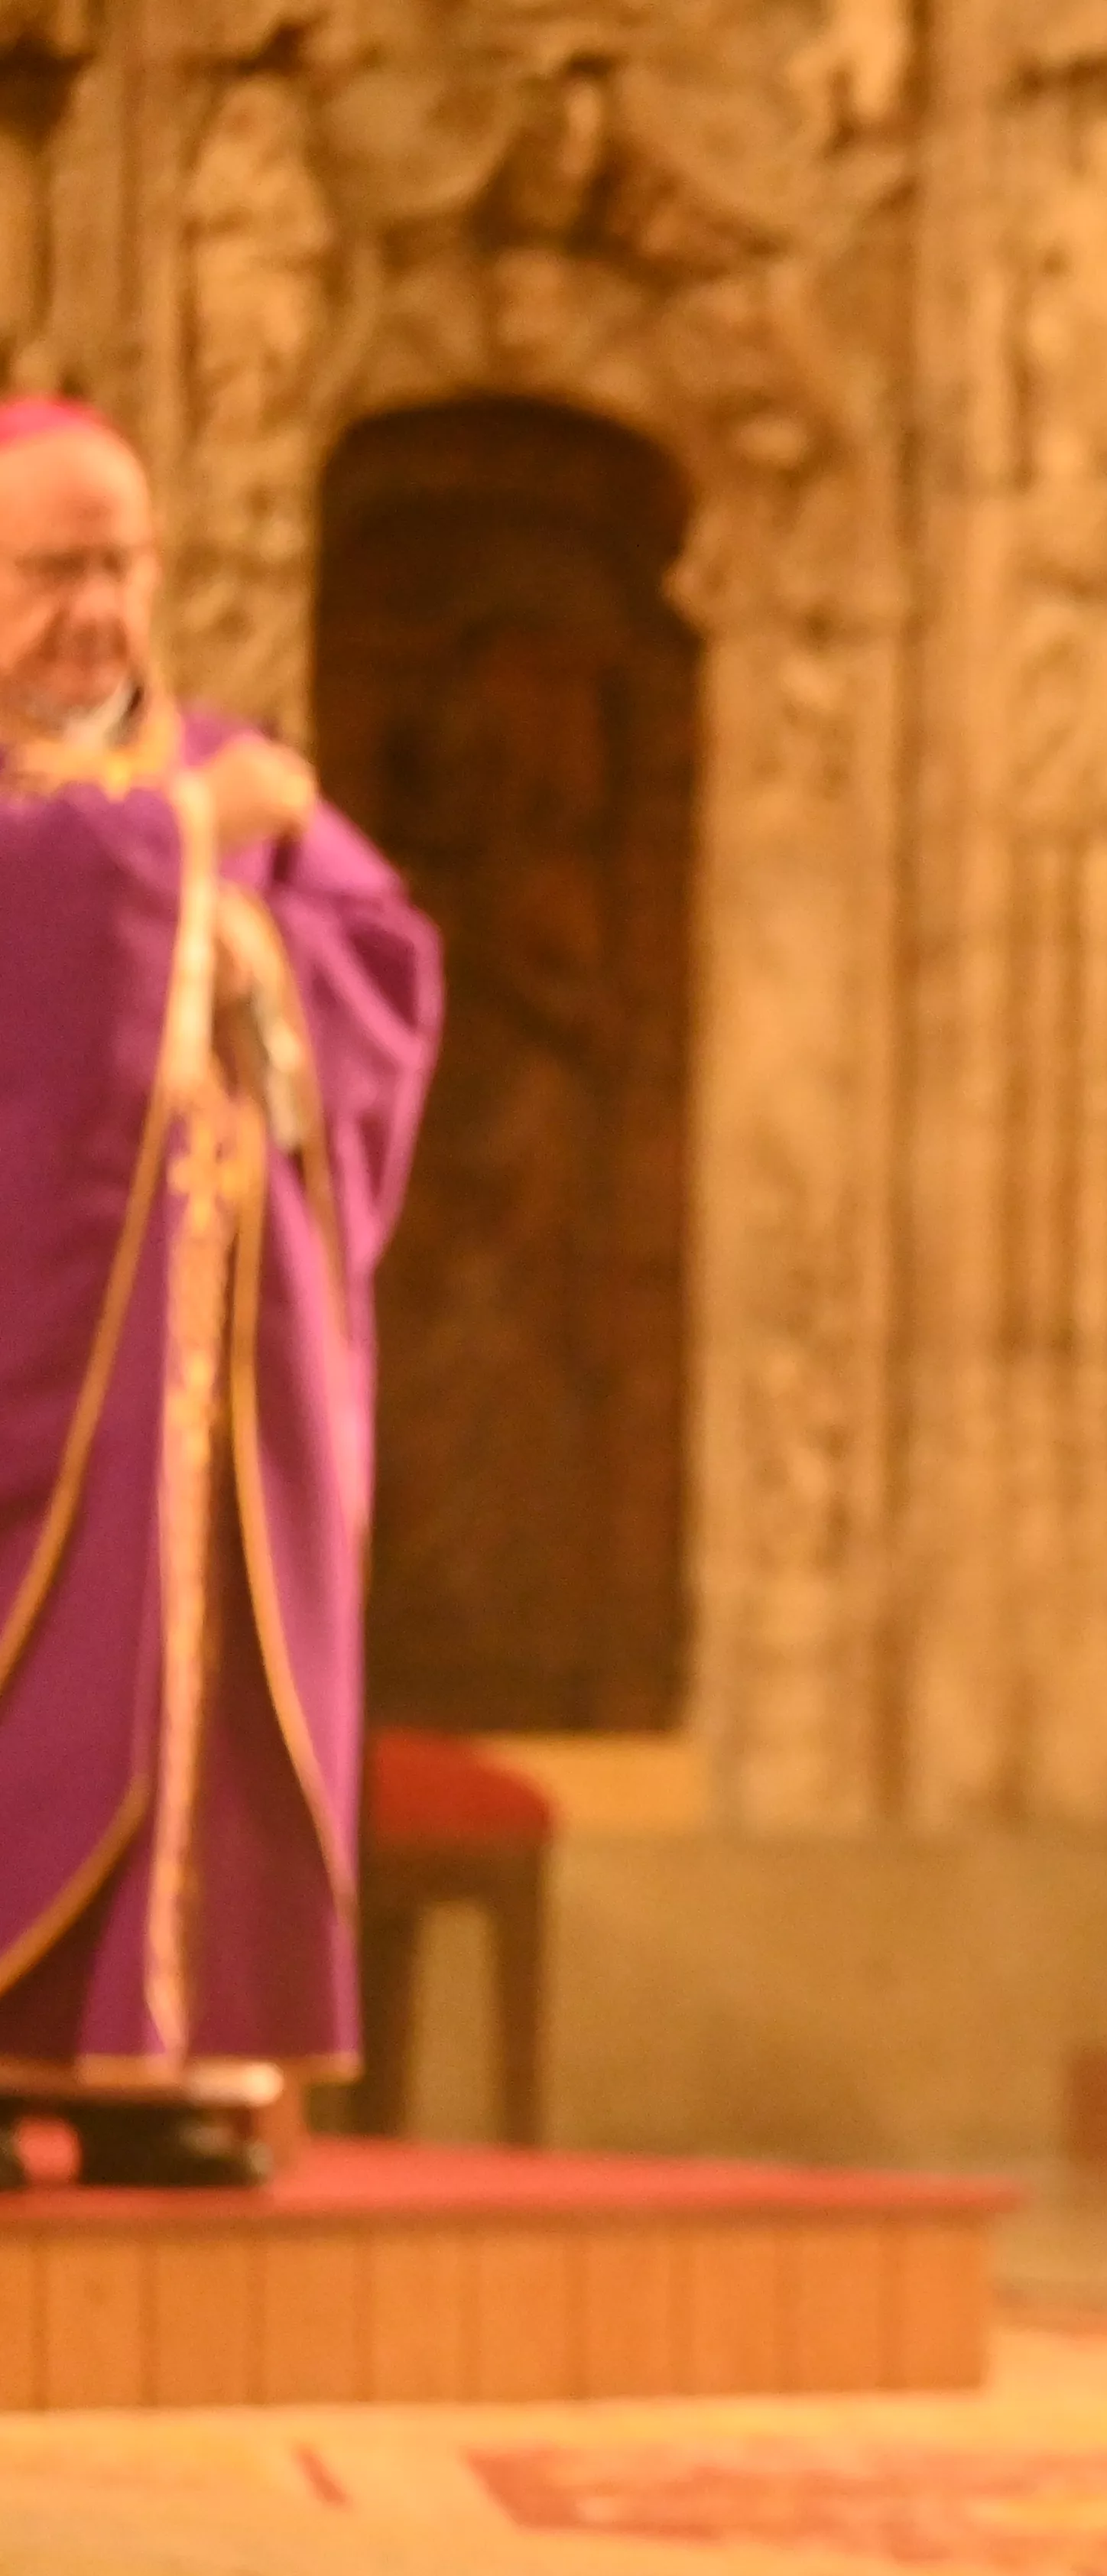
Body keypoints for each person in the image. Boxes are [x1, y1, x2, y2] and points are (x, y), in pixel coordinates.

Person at [0, 398, 440, 2188]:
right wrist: (179, 848)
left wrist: (250, 931)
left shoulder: (239, 769)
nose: (97, 606)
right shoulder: (201, 797)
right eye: (51, 569)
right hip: (35, 1361)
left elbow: (384, 976)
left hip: (222, 1373)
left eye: (124, 563)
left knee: (208, 1666)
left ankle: (174, 2052)